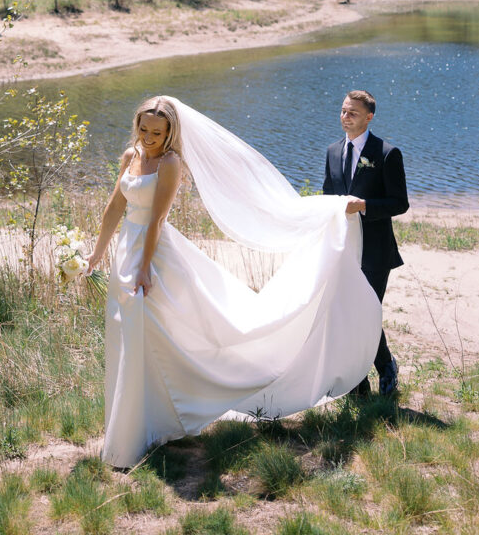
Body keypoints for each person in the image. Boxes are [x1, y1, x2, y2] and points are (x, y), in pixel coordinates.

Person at [85, 94, 383, 469]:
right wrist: (98, 253)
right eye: (144, 130)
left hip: (153, 256)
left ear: (170, 132)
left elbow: (157, 221)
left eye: (157, 133)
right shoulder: (131, 156)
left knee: (164, 336)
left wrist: (143, 268)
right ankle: (135, 425)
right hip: (126, 252)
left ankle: (157, 423)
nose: (149, 138)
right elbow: (115, 207)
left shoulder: (171, 163)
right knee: (128, 334)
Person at [322, 90, 408, 397]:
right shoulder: (333, 151)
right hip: (343, 249)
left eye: (353, 113)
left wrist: (364, 206)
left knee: (366, 313)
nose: (346, 117)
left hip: (375, 250)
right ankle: (358, 383)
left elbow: (400, 203)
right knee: (346, 312)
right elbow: (327, 197)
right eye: (343, 111)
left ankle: (386, 368)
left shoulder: (387, 153)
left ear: (369, 117)